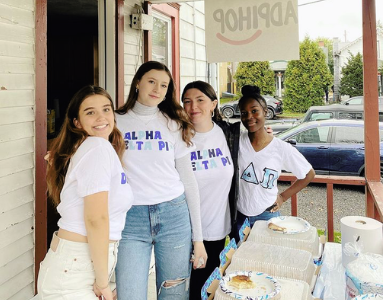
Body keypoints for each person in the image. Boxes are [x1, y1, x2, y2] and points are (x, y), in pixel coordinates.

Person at [114, 61, 207, 300]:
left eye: (164, 85)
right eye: (151, 81)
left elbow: (189, 181)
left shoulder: (174, 124)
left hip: (174, 216)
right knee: (130, 294)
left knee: (174, 294)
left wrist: (198, 240)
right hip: (130, 220)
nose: (157, 89)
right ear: (137, 82)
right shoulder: (115, 122)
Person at [37, 85, 134, 300]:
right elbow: (96, 218)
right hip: (76, 267)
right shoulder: (97, 148)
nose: (101, 117)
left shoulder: (93, 148)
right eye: (90, 112)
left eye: (106, 109)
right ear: (76, 122)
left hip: (80, 262)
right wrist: (103, 283)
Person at [235, 85, 315, 235]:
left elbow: (309, 174)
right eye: (244, 113)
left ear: (265, 112)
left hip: (267, 214)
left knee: (267, 256)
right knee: (241, 256)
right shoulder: (236, 142)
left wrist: (283, 197)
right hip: (240, 215)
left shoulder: (281, 148)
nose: (249, 117)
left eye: (254, 111)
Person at [181, 81, 234, 300]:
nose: (193, 106)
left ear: (214, 104)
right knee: (187, 290)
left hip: (218, 230)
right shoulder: (178, 137)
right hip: (186, 232)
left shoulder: (229, 134)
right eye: (187, 101)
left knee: (211, 289)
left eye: (200, 100)